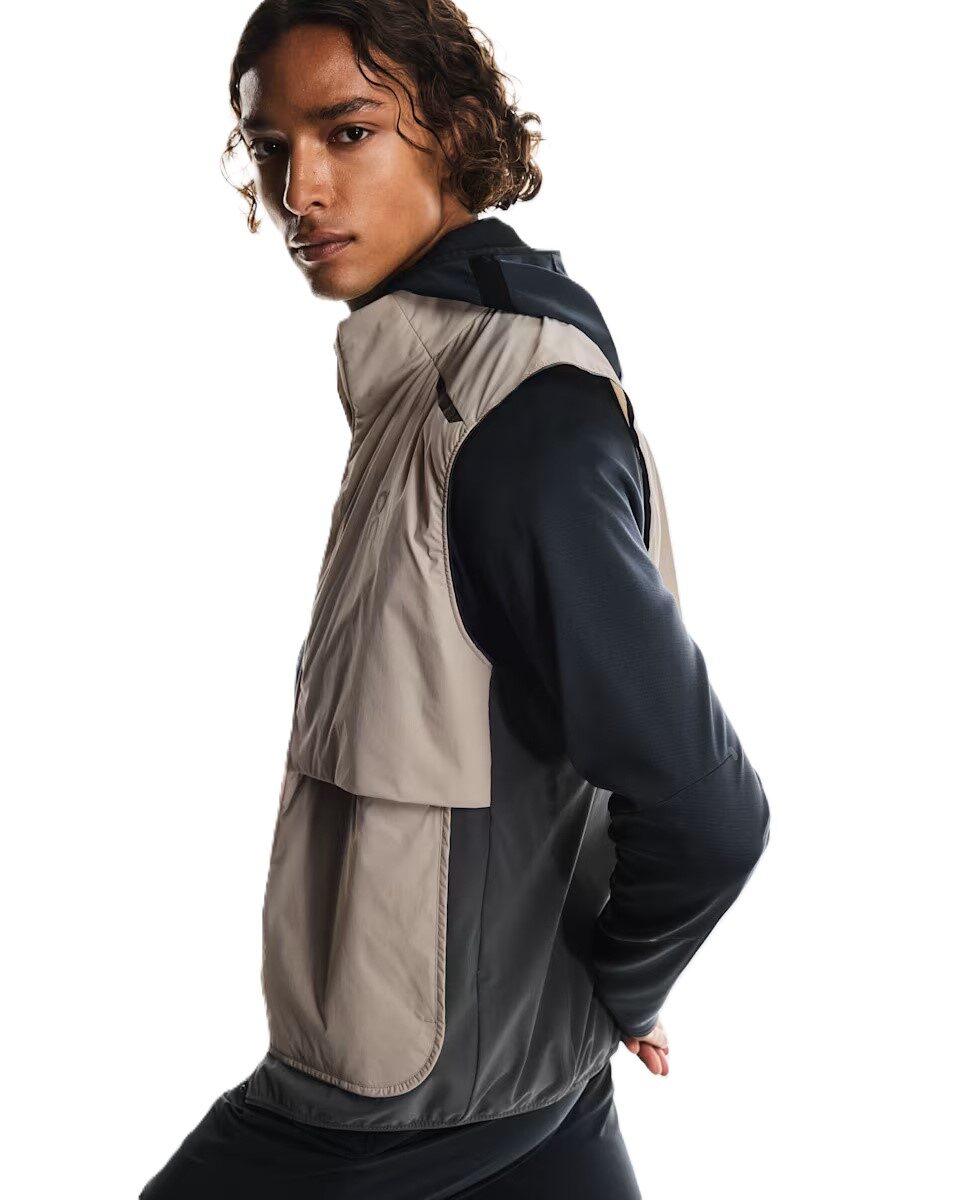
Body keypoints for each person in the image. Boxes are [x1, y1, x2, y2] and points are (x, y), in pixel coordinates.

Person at [139, 3, 771, 1196]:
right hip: (518, 1066)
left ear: (457, 130)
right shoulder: (432, 382)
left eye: (348, 132)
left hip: (402, 1100)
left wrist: (626, 980)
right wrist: (595, 998)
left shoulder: (510, 426)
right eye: (271, 148)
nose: (299, 190)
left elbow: (709, 808)